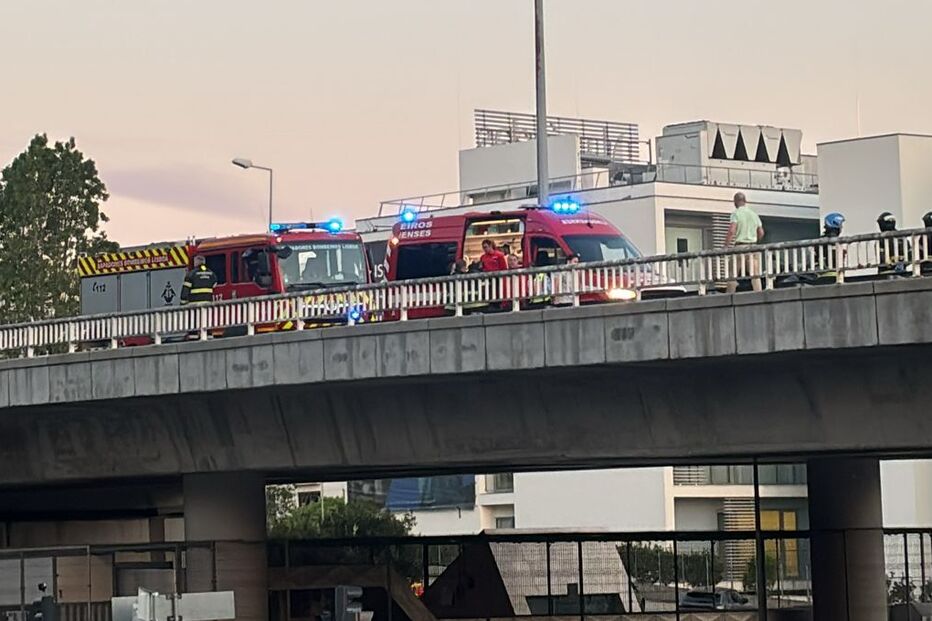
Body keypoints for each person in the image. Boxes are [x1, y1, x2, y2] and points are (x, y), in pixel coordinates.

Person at [724, 192, 764, 293]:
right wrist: (756, 241)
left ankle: (730, 295)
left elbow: (732, 230)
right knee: (755, 275)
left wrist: (726, 245)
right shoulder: (754, 214)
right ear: (745, 201)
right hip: (753, 247)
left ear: (735, 202)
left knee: (732, 273)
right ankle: (758, 293)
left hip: (740, 246)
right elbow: (761, 232)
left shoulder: (736, 213)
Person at [877, 211, 910, 277]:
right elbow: (910, 254)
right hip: (901, 272)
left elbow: (881, 256)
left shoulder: (882, 239)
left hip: (886, 273)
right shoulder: (902, 236)